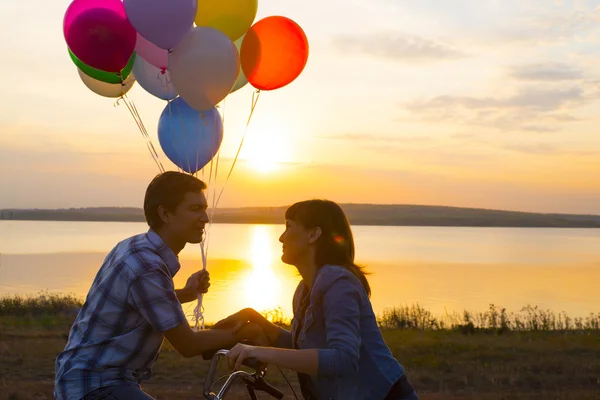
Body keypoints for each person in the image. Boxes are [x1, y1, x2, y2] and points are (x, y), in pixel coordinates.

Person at [54, 171, 264, 400]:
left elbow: (135, 302)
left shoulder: (134, 246)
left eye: (204, 208)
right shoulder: (147, 266)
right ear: (165, 214)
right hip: (96, 384)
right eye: (195, 209)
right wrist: (243, 333)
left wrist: (185, 294)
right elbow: (188, 344)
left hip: (88, 377)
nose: (205, 218)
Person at [215, 199, 419, 400]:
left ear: (313, 234)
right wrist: (257, 320)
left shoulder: (339, 284)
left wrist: (262, 352)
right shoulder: (304, 290)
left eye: (288, 227)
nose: (281, 237)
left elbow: (343, 359)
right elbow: (306, 350)